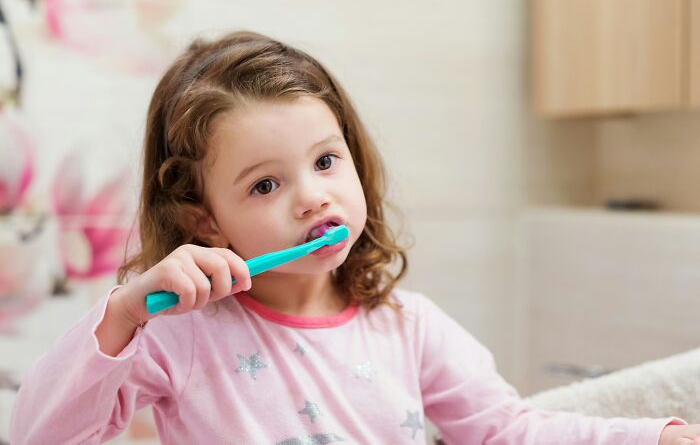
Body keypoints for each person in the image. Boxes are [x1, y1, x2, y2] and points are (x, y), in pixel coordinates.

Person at [9, 31, 700, 445]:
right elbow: (42, 436)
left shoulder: (409, 330)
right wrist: (124, 313)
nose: (313, 195)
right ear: (204, 222)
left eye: (325, 161)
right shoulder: (180, 338)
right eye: (264, 185)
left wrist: (656, 436)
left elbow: (508, 433)